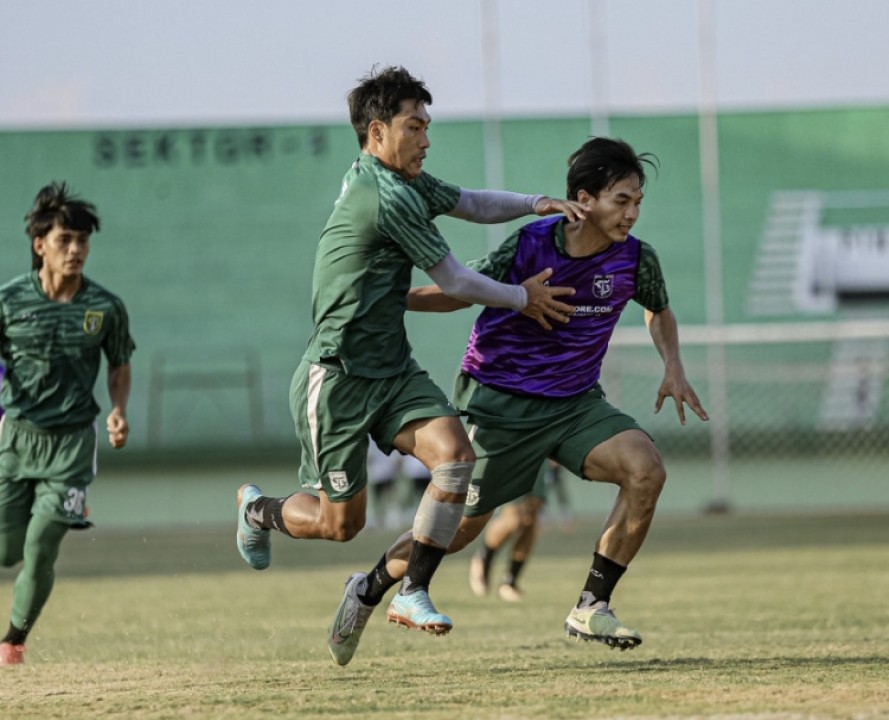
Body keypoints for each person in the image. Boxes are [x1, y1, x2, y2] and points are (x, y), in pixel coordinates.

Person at [231, 66, 585, 656]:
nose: (426, 139)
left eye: (427, 126)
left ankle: (410, 591)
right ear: (377, 132)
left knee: (455, 456)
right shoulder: (385, 195)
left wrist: (533, 203)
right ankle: (257, 509)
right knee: (338, 524)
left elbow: (469, 202)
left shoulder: (404, 179)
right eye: (415, 126)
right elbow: (452, 279)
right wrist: (525, 298)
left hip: (392, 370)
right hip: (338, 379)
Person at [327, 136, 707, 665]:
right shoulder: (530, 245)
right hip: (500, 405)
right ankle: (367, 588)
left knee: (646, 470)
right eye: (622, 200)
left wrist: (673, 365)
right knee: (457, 533)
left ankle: (591, 605)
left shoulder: (636, 260)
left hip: (575, 405)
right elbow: (463, 288)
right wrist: (395, 300)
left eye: (638, 201)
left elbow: (658, 309)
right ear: (584, 198)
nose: (632, 213)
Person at [0, 183, 135, 666]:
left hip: (74, 444)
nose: (75, 250)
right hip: (15, 440)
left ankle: (12, 642)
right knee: (6, 550)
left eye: (82, 241)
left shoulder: (104, 308)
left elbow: (119, 366)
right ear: (40, 245)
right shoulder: (9, 301)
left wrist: (118, 409)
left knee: (40, 545)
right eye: (65, 241)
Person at [468, 460, 564, 602]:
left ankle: (510, 581)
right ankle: (484, 558)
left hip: (542, 453)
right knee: (514, 516)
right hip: (514, 449)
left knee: (532, 517)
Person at [365, 444, 431, 529]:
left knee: (390, 497)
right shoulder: (376, 443)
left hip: (387, 473)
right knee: (379, 498)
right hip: (379, 473)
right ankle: (375, 518)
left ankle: (391, 517)